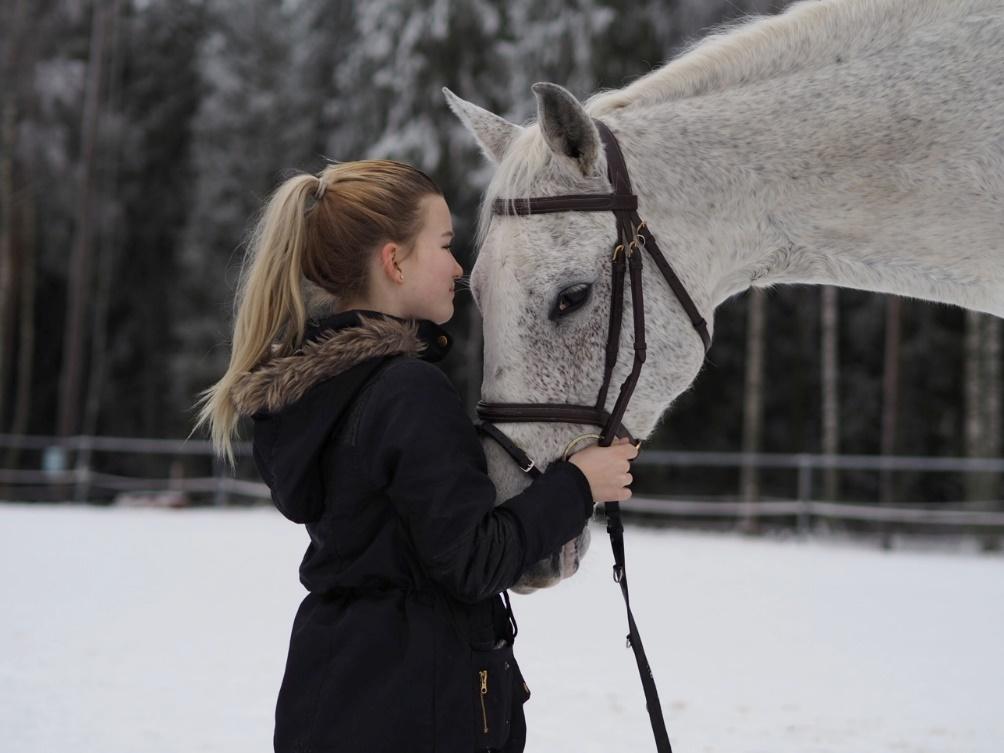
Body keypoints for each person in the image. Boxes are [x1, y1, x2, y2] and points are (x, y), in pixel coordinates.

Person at [191, 160, 638, 752]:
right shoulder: (407, 391)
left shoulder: (315, 393)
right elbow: (472, 560)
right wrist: (579, 485)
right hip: (418, 704)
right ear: (394, 261)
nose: (460, 267)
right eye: (447, 245)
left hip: (333, 686)